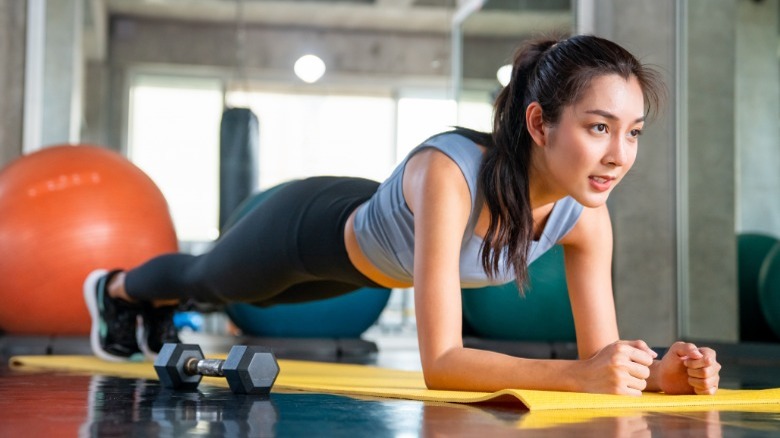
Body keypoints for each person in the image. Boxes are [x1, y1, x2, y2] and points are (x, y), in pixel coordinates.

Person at [84, 34, 721, 396]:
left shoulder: (586, 219)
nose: (619, 155)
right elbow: (441, 362)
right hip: (311, 229)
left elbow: (600, 359)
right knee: (211, 282)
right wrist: (581, 376)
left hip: (367, 272)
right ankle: (115, 289)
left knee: (256, 301)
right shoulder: (452, 175)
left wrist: (660, 372)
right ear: (538, 124)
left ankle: (145, 307)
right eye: (599, 127)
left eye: (633, 132)